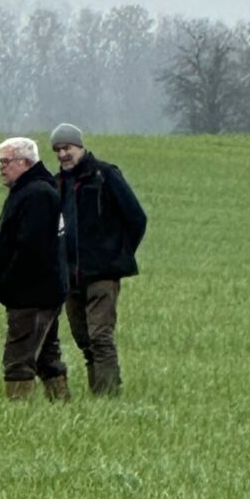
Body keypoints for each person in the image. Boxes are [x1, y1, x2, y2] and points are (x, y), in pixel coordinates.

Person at [51, 123, 147, 395]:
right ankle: (99, 394)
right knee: (84, 340)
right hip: (71, 276)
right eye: (58, 150)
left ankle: (108, 397)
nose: (63, 154)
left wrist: (118, 253)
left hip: (103, 273)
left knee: (100, 338)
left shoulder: (105, 175)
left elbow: (136, 217)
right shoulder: (57, 184)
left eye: (67, 148)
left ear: (80, 146)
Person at [0, 137, 69, 401]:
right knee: (46, 357)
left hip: (32, 294)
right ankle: (62, 406)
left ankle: (17, 412)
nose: (1, 167)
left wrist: (4, 258)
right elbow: (27, 236)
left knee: (18, 360)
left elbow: (32, 247)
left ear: (25, 162)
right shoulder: (32, 190)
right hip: (43, 292)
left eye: (5, 161)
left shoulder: (36, 194)